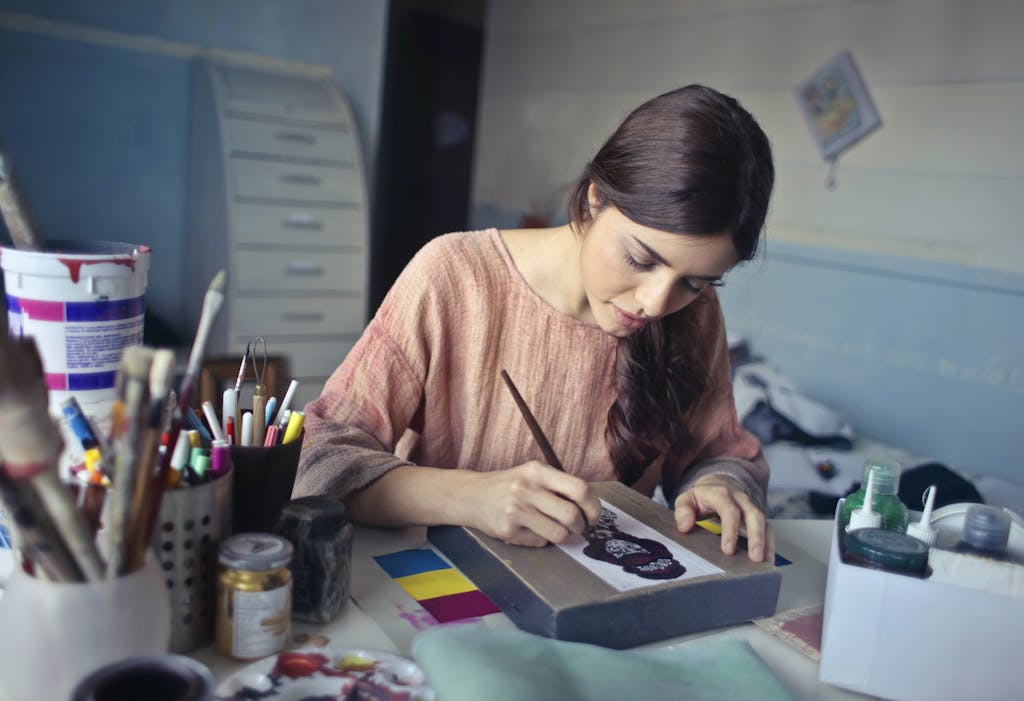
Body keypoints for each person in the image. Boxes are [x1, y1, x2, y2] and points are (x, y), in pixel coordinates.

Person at [293, 84, 776, 562]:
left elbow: (720, 452)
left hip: (598, 601)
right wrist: (469, 497)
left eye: (694, 282)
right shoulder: (454, 276)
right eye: (639, 257)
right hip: (436, 585)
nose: (655, 302)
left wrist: (719, 483)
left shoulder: (693, 311)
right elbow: (319, 459)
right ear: (593, 199)